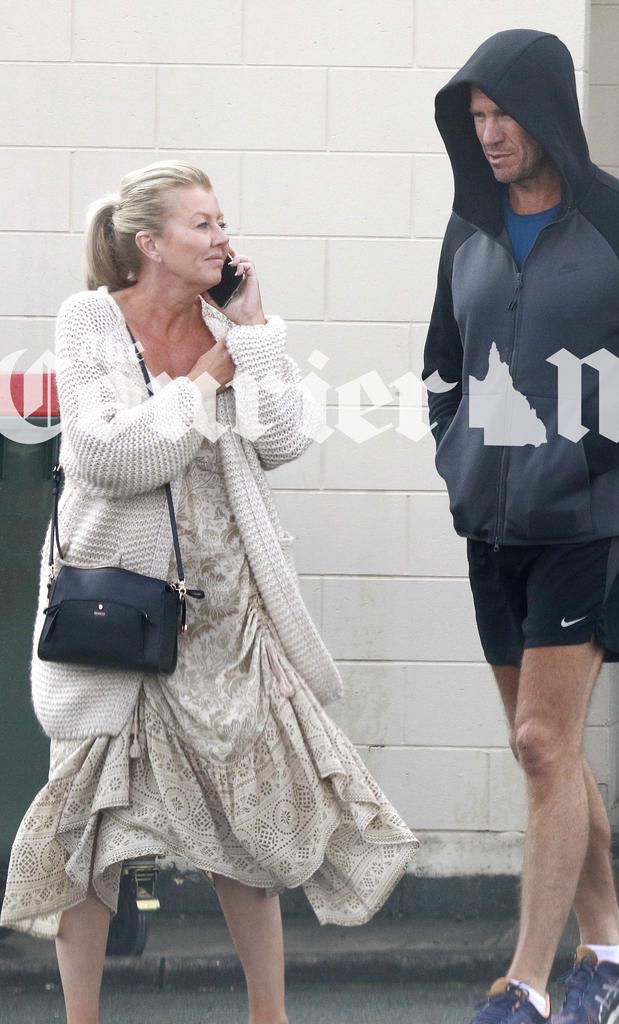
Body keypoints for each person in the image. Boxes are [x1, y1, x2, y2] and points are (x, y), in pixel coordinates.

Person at [0, 160, 417, 1024]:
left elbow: (283, 440)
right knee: (90, 829)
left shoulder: (232, 326)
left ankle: (272, 1016)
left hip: (224, 616)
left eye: (222, 221)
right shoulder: (91, 323)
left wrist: (255, 331)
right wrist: (203, 385)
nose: (223, 236)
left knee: (248, 822)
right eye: (203, 223)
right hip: (117, 607)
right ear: (149, 243)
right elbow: (108, 460)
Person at [423, 30, 619, 1024]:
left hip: (587, 523)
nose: (490, 133)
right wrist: (456, 452)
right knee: (540, 749)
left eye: (503, 113)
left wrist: (585, 452)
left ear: (547, 110)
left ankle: (529, 985)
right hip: (491, 526)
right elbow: (442, 363)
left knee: (544, 743)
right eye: (475, 118)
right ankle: (615, 948)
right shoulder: (469, 228)